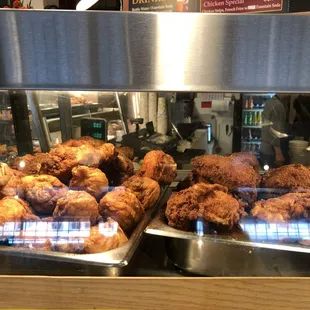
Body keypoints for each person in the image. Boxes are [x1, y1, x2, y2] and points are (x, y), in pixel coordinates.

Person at [260, 94, 288, 169]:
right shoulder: (278, 106)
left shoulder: (270, 102)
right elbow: (275, 130)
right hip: (272, 151)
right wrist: (278, 153)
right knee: (273, 177)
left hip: (265, 147)